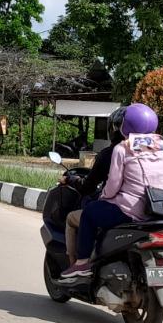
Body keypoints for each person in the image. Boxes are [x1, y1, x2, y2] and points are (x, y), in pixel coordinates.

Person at [63, 102, 163, 277]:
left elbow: (113, 184)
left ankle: (81, 263)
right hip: (160, 209)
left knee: (90, 212)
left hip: (131, 210)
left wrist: (104, 199)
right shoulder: (162, 146)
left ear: (124, 126)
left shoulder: (122, 148)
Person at [63, 107, 125, 269]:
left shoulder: (115, 152)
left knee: (82, 215)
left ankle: (77, 266)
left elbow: (97, 187)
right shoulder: (157, 152)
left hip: (124, 209)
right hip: (153, 211)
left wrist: (70, 179)